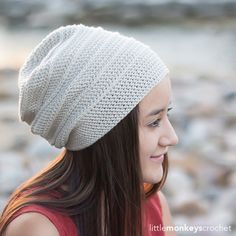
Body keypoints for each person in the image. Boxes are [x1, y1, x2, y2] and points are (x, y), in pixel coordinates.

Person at [0, 24, 178, 236]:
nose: (172, 137)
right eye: (154, 122)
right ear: (106, 132)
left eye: (168, 114)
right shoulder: (39, 228)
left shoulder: (153, 205)